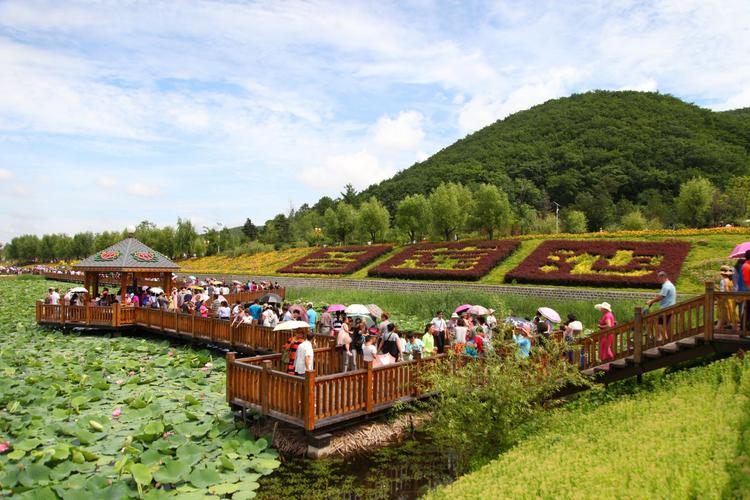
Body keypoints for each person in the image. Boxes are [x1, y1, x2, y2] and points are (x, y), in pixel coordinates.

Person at [646, 271, 676, 341]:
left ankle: (663, 338)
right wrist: (656, 297)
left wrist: (651, 301)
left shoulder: (666, 286)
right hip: (670, 307)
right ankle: (662, 337)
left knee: (657, 322)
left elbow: (661, 297)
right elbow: (661, 295)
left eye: (659, 278)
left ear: (663, 277)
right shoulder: (670, 284)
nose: (658, 280)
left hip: (666, 308)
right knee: (661, 323)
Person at [717, 265, 738, 332]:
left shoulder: (723, 281)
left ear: (722, 273)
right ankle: (731, 324)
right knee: (731, 312)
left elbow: (723, 290)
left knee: (722, 313)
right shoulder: (729, 280)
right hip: (730, 299)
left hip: (724, 299)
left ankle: (719, 327)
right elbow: (730, 289)